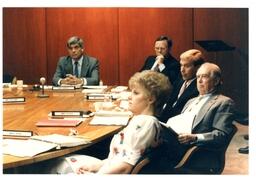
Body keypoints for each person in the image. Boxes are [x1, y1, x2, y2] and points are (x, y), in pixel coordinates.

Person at [46, 70, 172, 174]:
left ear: (151, 99)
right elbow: (120, 156)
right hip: (107, 168)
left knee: (52, 165)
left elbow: (125, 167)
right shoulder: (143, 121)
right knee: (60, 163)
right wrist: (97, 165)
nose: (129, 96)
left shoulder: (145, 124)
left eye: (136, 93)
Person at [155, 62, 237, 172]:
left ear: (216, 81)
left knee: (151, 161)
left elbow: (221, 136)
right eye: (198, 76)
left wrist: (195, 137)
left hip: (195, 153)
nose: (199, 80)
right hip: (175, 144)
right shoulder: (191, 101)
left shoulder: (224, 102)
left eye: (204, 77)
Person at [159, 49, 205, 123]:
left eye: (186, 66)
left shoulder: (200, 87)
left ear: (198, 68)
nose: (182, 70)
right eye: (181, 65)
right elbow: (169, 103)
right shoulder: (180, 80)